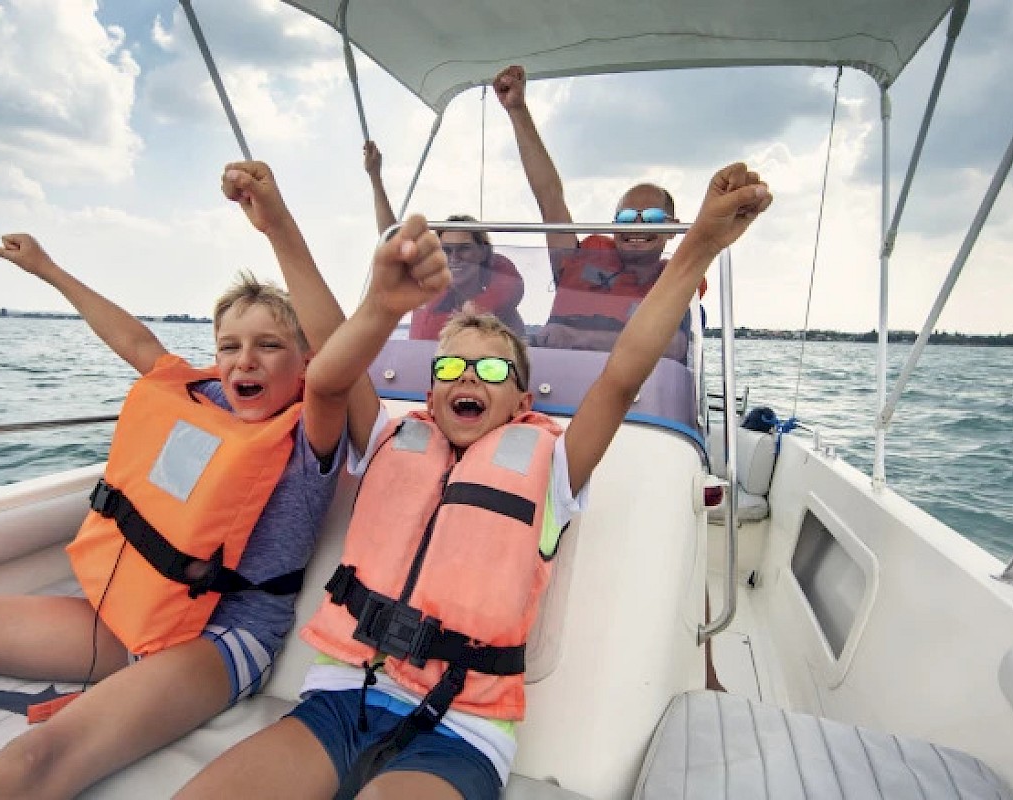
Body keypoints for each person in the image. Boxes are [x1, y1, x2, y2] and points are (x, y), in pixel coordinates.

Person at [176, 161, 771, 800]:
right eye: (453, 365)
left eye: (491, 371)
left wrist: (701, 245)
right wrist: (277, 226)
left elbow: (624, 373)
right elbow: (329, 345)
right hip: (339, 697)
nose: (468, 378)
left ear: (521, 401)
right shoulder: (385, 438)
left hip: (460, 727)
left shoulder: (555, 467)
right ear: (429, 396)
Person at [0, 176, 352, 798]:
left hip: (223, 639)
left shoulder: (312, 433)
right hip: (136, 615)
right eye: (229, 345)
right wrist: (47, 269)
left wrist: (277, 224)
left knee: (29, 760)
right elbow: (136, 341)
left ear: (305, 361)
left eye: (269, 345)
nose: (244, 360)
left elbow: (339, 362)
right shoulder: (201, 398)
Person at [494, 64, 704, 357]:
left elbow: (674, 347)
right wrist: (516, 109)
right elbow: (549, 195)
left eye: (653, 218)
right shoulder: (578, 260)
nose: (638, 227)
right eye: (627, 218)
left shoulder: (676, 281)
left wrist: (573, 338)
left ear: (672, 229)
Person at [364, 139, 526, 338]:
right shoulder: (426, 283)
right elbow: (392, 240)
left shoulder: (503, 299)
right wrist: (375, 178)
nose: (454, 257)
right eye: (446, 250)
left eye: (464, 248)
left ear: (482, 252)